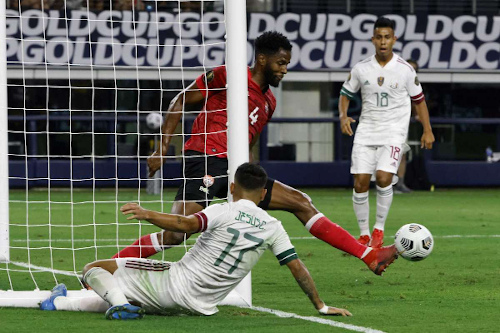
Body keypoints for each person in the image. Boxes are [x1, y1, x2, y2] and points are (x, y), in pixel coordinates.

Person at [113, 31, 398, 275]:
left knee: (300, 202)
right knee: (176, 233)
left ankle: (368, 255)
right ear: (262, 59)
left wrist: (251, 168)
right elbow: (178, 102)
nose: (284, 69)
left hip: (237, 169)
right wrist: (163, 148)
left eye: (287, 64)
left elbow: (251, 138)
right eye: (281, 62)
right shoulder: (228, 75)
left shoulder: (269, 102)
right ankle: (110, 265)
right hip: (206, 159)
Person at [40, 164, 355, 319]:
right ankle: (62, 303)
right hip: (200, 306)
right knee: (125, 291)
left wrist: (145, 212)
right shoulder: (274, 227)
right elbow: (298, 269)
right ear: (263, 194)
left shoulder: (222, 209)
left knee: (95, 269)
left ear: (232, 187)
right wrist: (321, 305)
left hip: (171, 284)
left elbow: (183, 224)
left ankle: (120, 305)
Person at [338, 17, 435, 247]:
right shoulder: (361, 68)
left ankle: (379, 230)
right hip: (366, 130)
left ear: (394, 39)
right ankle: (363, 234)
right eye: (379, 37)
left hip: (393, 131)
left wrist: (427, 130)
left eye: (387, 37)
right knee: (360, 182)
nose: (383, 42)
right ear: (373, 40)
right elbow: (345, 93)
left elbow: (419, 101)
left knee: (383, 178)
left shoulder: (405, 70)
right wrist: (343, 116)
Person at [393, 59, 420, 194]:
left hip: (401, 124)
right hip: (383, 122)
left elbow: (417, 102)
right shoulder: (392, 80)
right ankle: (382, 184)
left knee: (401, 153)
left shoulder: (414, 85)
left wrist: (417, 115)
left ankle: (400, 184)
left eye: (414, 69)